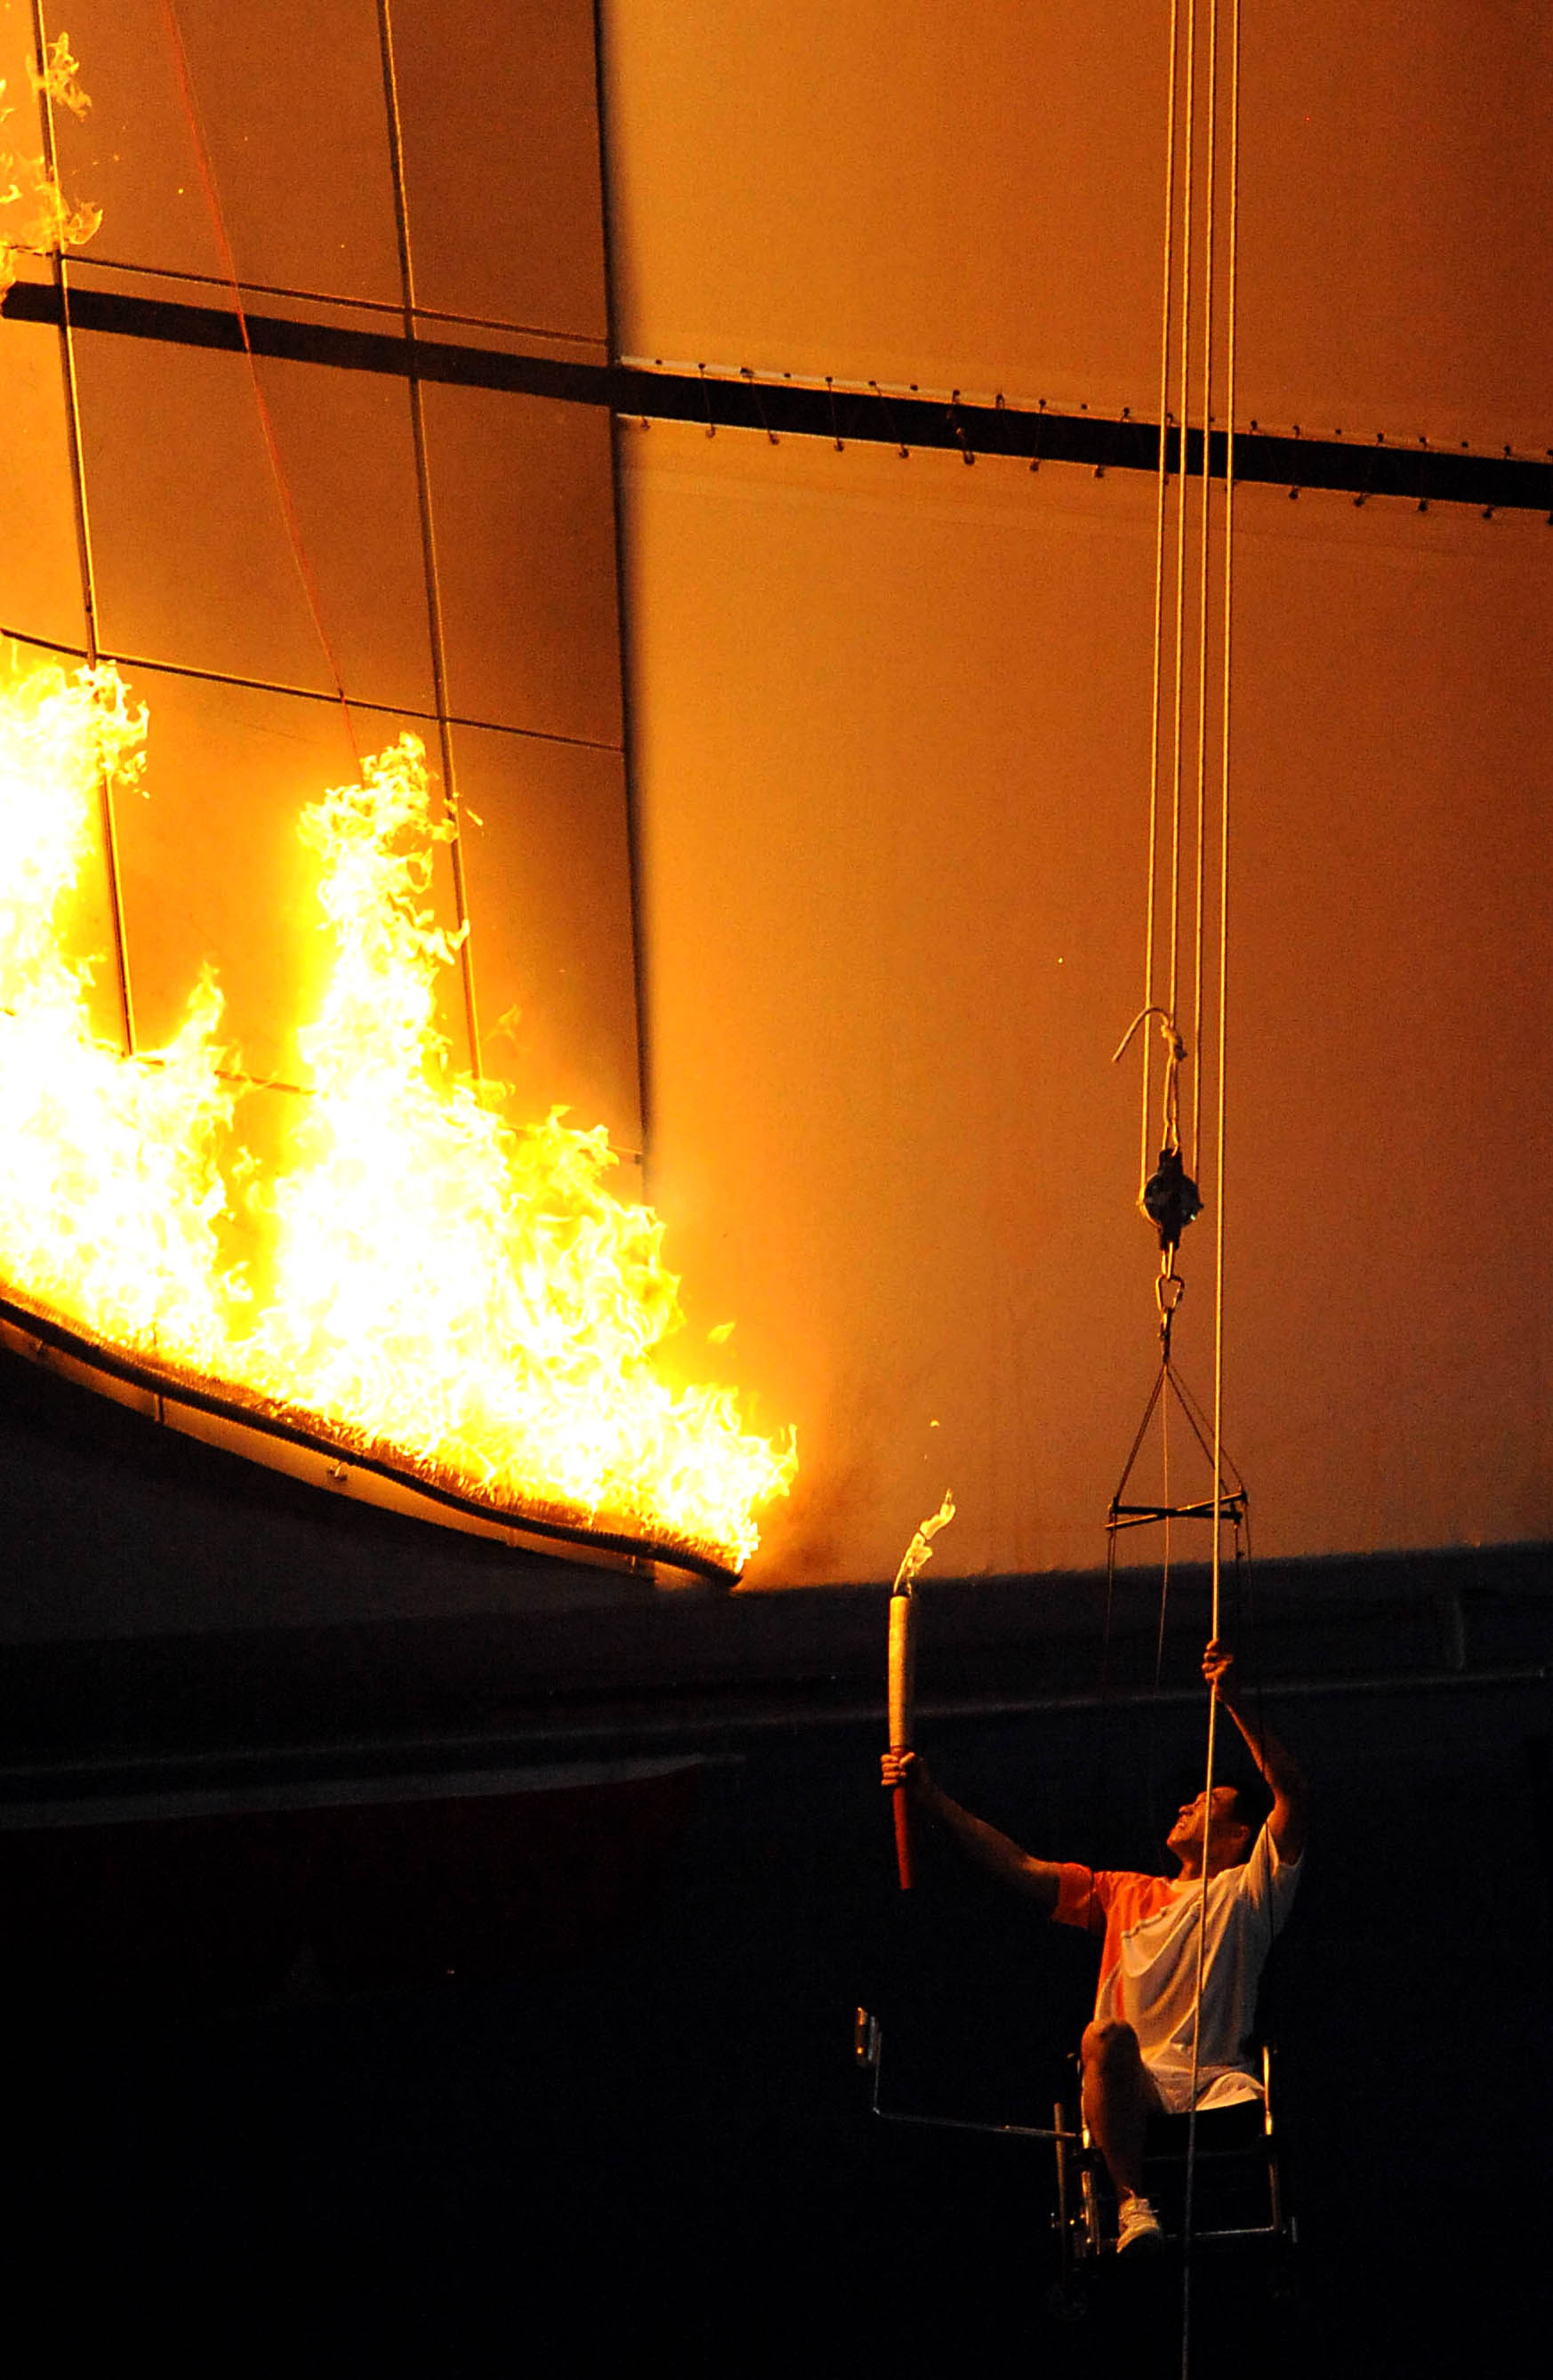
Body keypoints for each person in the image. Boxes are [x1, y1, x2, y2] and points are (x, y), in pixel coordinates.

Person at [881, 1640, 1307, 2254]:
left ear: (1240, 1834)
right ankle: (1134, 2209)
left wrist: (1235, 1703)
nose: (1188, 1803)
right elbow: (1024, 1868)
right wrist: (932, 1797)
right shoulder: (1123, 1892)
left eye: (1208, 1801)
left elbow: (1290, 1792)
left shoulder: (1253, 1889)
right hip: (1131, 2081)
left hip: (1216, 2082)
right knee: (1104, 2036)